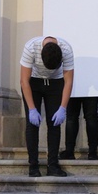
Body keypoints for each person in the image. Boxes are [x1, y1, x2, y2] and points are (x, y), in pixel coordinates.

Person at [20, 35, 74, 177]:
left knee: (54, 124)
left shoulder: (66, 50)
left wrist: (63, 108)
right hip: (33, 83)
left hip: (56, 84)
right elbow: (24, 81)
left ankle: (53, 165)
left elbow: (68, 82)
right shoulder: (30, 48)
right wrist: (32, 109)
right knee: (32, 125)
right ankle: (33, 166)